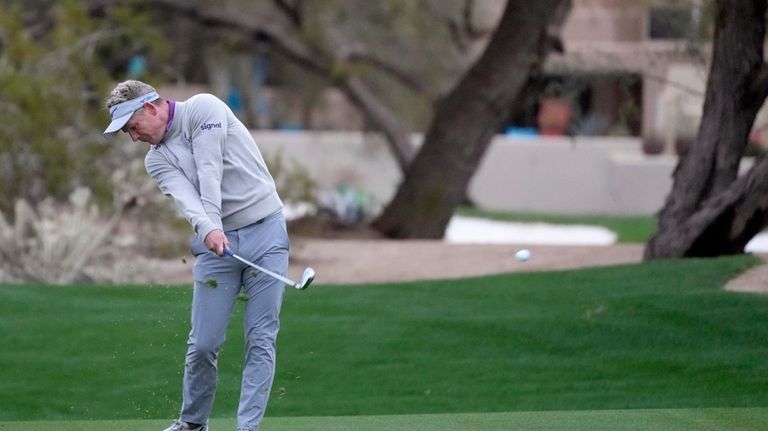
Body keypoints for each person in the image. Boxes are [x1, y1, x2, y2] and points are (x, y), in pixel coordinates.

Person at [104, 80, 289, 431]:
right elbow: (188, 202)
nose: (133, 137)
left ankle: (247, 428)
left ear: (151, 108)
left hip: (266, 233)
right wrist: (210, 231)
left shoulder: (205, 108)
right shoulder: (156, 160)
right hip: (215, 247)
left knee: (261, 337)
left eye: (133, 127)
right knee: (203, 343)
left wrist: (213, 226)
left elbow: (209, 170)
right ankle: (193, 423)